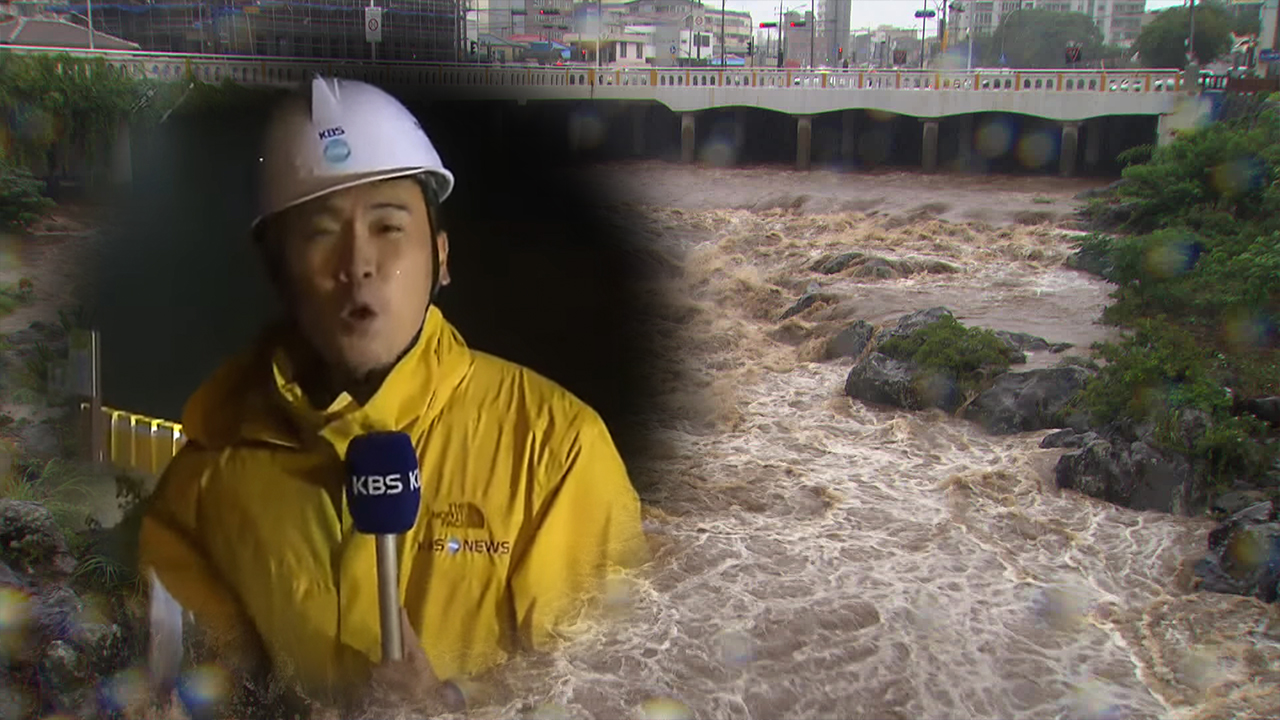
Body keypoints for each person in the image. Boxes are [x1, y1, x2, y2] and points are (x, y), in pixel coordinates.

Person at [136, 76, 649, 712]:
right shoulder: (207, 481)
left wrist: (448, 703)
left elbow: (611, 686)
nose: (358, 262)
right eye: (321, 232)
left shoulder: (553, 449)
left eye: (387, 225)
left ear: (441, 258)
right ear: (281, 274)